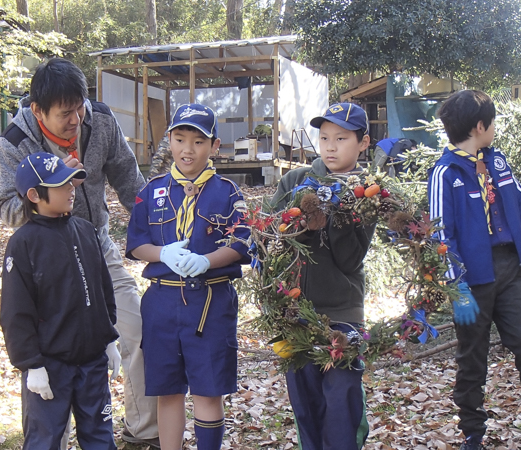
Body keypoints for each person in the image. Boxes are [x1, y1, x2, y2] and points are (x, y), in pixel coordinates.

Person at [0, 58, 159, 448]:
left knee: (135, 326)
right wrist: (46, 192)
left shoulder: (99, 121)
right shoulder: (15, 142)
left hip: (93, 241)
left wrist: (161, 230)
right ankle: (47, 436)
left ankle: (143, 432)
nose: (75, 119)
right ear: (38, 111)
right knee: (47, 348)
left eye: (79, 108)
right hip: (42, 254)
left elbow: (129, 180)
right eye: (65, 113)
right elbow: (6, 206)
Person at [125, 103, 251, 450]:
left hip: (209, 300)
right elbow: (137, 243)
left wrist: (207, 261)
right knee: (167, 389)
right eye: (180, 139)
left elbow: (242, 241)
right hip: (162, 301)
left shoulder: (227, 191)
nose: (188, 149)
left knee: (208, 387)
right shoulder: (151, 191)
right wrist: (163, 253)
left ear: (214, 147)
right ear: (169, 141)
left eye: (198, 141)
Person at [0, 152, 121, 449]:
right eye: (60, 185)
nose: (71, 189)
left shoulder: (84, 230)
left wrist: (109, 339)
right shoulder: (23, 243)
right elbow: (15, 311)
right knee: (45, 439)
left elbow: (102, 287)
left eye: (71, 183)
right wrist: (31, 364)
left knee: (100, 437)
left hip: (92, 362)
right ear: (34, 195)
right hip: (50, 367)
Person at [272, 102, 374, 450]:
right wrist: (300, 224)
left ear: (363, 143)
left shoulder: (369, 194)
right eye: (324, 137)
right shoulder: (295, 180)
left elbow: (349, 259)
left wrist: (337, 213)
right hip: (296, 312)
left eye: (341, 138)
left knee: (342, 397)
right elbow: (271, 237)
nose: (330, 146)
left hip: (343, 314)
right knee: (306, 401)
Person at [428, 90, 521, 450]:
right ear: (480, 126)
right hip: (472, 279)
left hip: (510, 269)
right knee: (473, 359)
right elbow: (439, 233)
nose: (495, 128)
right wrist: (456, 286)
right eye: (493, 122)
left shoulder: (497, 163)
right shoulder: (445, 172)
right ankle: (473, 431)